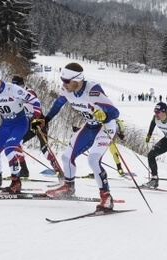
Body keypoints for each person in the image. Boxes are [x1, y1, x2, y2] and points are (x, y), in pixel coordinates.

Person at [44, 62, 120, 212]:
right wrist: (45, 120)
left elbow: (115, 112)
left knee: (93, 159)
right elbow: (58, 104)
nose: (63, 84)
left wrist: (104, 114)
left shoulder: (93, 90)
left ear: (76, 80)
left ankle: (107, 197)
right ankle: (68, 187)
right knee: (67, 157)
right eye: (62, 80)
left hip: (105, 127)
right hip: (90, 126)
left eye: (66, 81)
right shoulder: (66, 90)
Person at [0, 66, 40, 193]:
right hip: (6, 124)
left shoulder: (13, 89)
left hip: (20, 123)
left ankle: (16, 182)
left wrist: (36, 119)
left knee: (10, 149)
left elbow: (35, 101)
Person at [10, 75, 62, 179]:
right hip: (27, 124)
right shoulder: (13, 95)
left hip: (39, 122)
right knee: (15, 144)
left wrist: (37, 119)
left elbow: (36, 106)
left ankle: (60, 173)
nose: (14, 88)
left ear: (21, 85)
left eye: (15, 85)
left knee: (44, 149)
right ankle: (24, 170)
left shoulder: (29, 92)